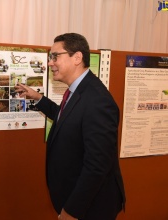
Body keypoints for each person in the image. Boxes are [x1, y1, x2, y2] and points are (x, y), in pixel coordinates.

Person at [15, 33, 125, 220]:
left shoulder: (98, 100)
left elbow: (97, 166)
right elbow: (67, 118)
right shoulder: (79, 90)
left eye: (55, 56)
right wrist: (38, 98)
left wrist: (72, 210)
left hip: (91, 207)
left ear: (77, 58)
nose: (50, 63)